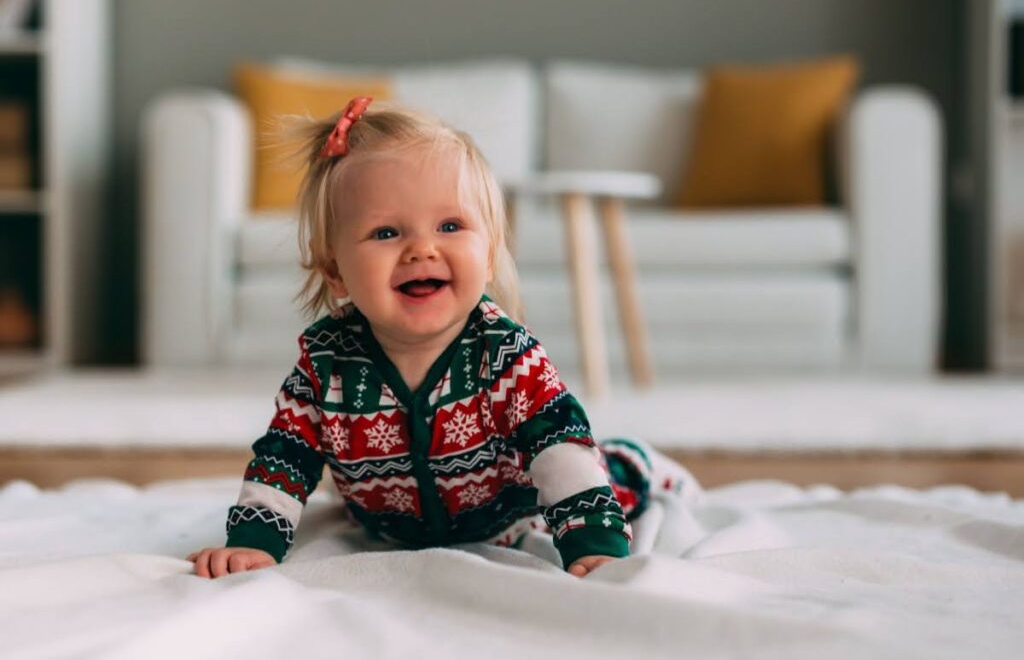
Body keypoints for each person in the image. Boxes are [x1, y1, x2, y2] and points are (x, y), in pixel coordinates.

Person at [188, 97, 693, 580]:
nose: (421, 249)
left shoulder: (505, 354)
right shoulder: (325, 365)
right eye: (387, 233)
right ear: (335, 272)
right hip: (390, 525)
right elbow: (285, 457)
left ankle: (637, 462)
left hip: (512, 518)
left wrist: (595, 547)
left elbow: (559, 452)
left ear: (490, 253)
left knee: (606, 473)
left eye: (450, 225)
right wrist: (254, 542)